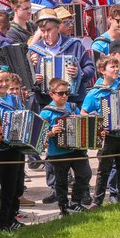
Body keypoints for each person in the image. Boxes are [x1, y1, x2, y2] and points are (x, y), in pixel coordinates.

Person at [41, 78, 92, 217]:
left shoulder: (73, 108)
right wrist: (51, 132)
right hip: (58, 153)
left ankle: (76, 202)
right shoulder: (46, 112)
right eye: (60, 93)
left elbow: (84, 125)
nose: (64, 96)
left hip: (76, 150)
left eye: (67, 93)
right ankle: (63, 207)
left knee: (85, 174)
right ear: (51, 94)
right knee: (61, 181)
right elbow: (39, 136)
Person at [0, 68, 27, 231]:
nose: (3, 84)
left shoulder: (15, 100)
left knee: (11, 186)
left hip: (14, 147)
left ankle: (5, 221)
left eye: (6, 81)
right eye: (0, 81)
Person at [29, 8, 94, 107]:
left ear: (58, 27)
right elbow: (25, 80)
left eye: (49, 30)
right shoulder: (34, 50)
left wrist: (79, 73)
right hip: (45, 104)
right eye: (42, 31)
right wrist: (33, 78)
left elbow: (90, 69)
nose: (46, 35)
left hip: (73, 102)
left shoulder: (75, 45)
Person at [82, 56, 120, 206]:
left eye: (117, 66)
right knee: (103, 169)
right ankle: (97, 201)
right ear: (102, 71)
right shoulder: (95, 93)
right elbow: (84, 112)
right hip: (108, 136)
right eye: (113, 67)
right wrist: (97, 124)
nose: (116, 69)